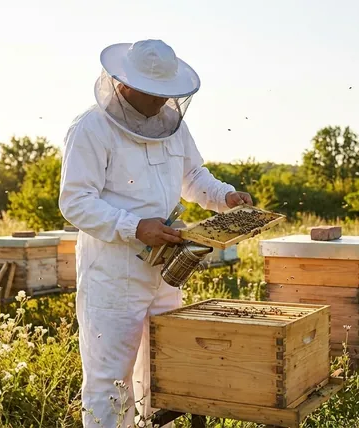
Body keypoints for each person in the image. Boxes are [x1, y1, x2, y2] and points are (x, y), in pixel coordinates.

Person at [58, 39, 253, 427]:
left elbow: (193, 176)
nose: (164, 102)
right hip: (113, 274)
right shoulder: (91, 128)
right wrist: (134, 227)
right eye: (156, 94)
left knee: (160, 367)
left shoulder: (173, 126)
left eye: (168, 94)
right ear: (126, 84)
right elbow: (75, 201)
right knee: (109, 377)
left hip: (165, 270)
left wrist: (226, 197)